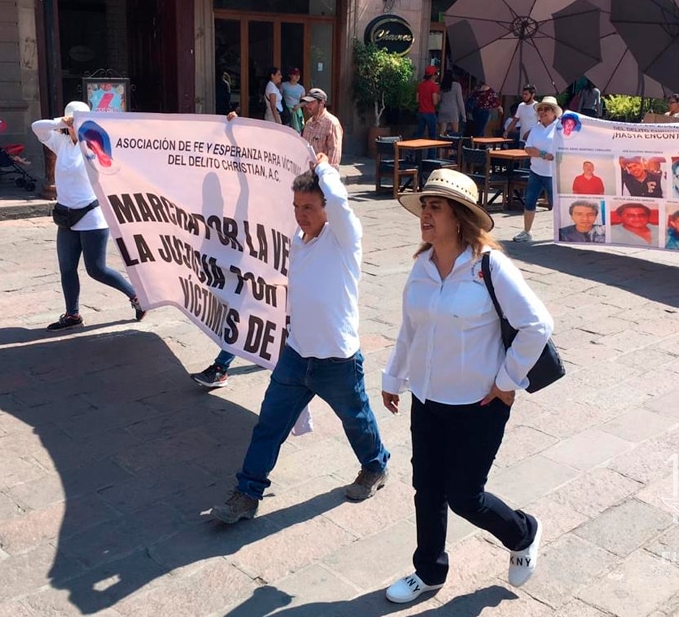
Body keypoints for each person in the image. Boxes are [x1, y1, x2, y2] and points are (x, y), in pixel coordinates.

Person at [382, 168, 552, 604]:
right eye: (424, 205)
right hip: (428, 398)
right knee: (428, 489)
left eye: (436, 207)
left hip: (480, 402)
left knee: (465, 496)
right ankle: (429, 571)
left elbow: (537, 324)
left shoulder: (489, 265)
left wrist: (507, 380)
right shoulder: (421, 266)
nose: (426, 213)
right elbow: (410, 329)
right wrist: (394, 377)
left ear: (459, 217)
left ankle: (522, 533)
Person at [209, 152, 391, 523]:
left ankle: (375, 466)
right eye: (296, 206)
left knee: (356, 419)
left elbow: (340, 201)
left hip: (337, 358)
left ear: (326, 207)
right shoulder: (297, 238)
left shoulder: (343, 239)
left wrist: (323, 166)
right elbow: (255, 198)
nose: (300, 213)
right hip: (295, 355)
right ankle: (247, 493)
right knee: (269, 425)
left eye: (308, 206)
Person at [31, 102, 146, 331]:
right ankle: (72, 314)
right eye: (72, 122)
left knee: (96, 269)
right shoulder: (61, 142)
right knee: (66, 267)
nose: (75, 126)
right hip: (66, 215)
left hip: (91, 215)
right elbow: (37, 127)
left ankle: (136, 296)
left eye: (79, 121)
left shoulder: (94, 146)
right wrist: (61, 122)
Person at [515, 96, 560, 242]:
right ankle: (527, 231)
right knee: (530, 201)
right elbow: (528, 149)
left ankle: (561, 233)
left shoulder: (561, 128)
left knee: (557, 204)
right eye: (540, 109)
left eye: (546, 109)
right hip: (536, 171)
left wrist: (544, 154)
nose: (542, 112)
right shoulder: (536, 128)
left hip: (553, 174)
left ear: (554, 112)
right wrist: (542, 154)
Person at [300, 87, 343, 166]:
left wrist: (326, 173)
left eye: (311, 102)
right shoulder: (309, 123)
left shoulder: (332, 123)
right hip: (308, 174)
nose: (307, 106)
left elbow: (334, 154)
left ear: (321, 103)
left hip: (323, 173)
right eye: (307, 102)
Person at [415, 65, 440, 141]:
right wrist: (439, 97)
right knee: (432, 136)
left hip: (421, 112)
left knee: (419, 134)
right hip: (430, 112)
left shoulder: (420, 85)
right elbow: (435, 102)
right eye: (436, 74)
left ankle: (416, 152)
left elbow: (417, 100)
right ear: (432, 75)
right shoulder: (434, 86)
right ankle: (431, 153)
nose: (436, 76)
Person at [437, 71, 465, 136]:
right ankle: (454, 145)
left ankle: (441, 145)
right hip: (453, 110)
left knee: (442, 133)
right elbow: (460, 101)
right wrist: (464, 116)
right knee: (455, 132)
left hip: (443, 109)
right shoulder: (457, 85)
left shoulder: (442, 86)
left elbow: (439, 99)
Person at [280, 68, 305, 132]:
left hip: (296, 111)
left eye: (298, 75)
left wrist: (298, 106)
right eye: (295, 74)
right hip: (286, 111)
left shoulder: (301, 88)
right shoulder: (284, 85)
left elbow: (304, 102)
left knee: (297, 132)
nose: (297, 76)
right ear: (290, 75)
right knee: (286, 131)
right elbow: (279, 98)